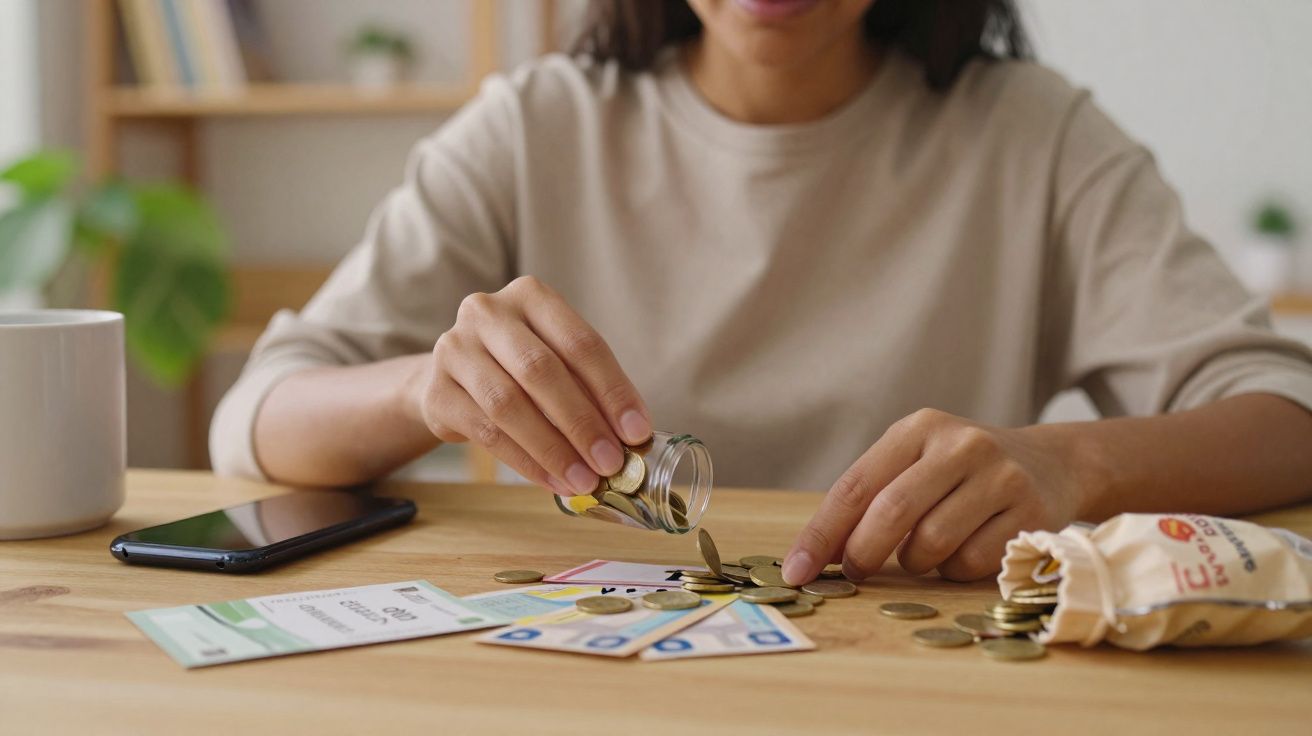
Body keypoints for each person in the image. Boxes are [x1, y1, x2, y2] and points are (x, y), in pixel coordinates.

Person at [211, 0, 1312, 586]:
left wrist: (1070, 461)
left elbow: (1286, 416)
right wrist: (425, 388)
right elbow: (254, 418)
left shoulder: (1034, 136)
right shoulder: (534, 125)